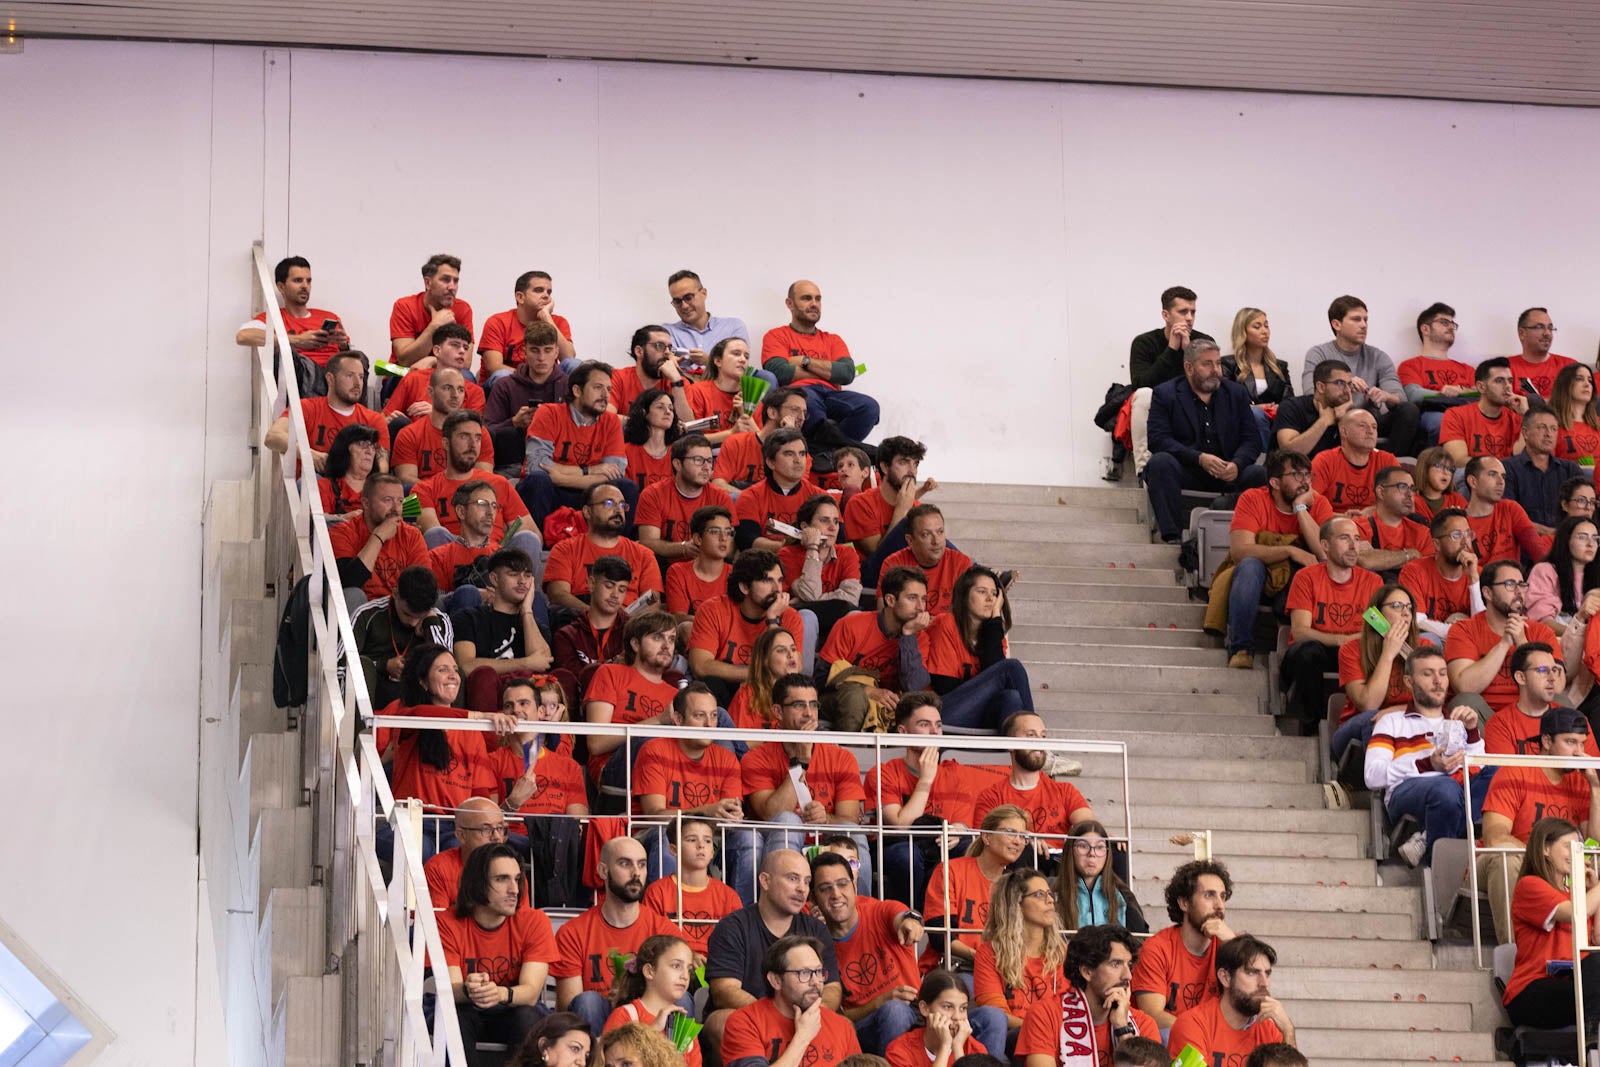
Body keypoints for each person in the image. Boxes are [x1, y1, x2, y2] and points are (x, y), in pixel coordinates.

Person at [704, 852, 844, 1060]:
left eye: (807, 882)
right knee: (721, 1021)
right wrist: (777, 1018)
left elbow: (832, 987)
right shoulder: (733, 927)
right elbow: (724, 991)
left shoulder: (816, 930)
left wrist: (814, 1015)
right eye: (792, 878)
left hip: (803, 1014)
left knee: (843, 1025)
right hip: (752, 1020)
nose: (802, 889)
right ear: (765, 881)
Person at [1479, 708, 1600, 944]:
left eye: (1582, 744)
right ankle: (1515, 951)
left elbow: (1594, 844)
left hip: (1560, 866)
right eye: (1570, 742)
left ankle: (1593, 947)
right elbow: (1495, 839)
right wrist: (1543, 858)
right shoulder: (1515, 771)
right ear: (1546, 740)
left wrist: (1595, 789)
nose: (1579, 753)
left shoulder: (1581, 780)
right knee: (1507, 859)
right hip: (1505, 861)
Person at [742, 675, 871, 891]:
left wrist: (825, 819)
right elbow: (770, 813)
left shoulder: (841, 757)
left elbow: (849, 819)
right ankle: (779, 910)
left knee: (851, 832)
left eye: (813, 705)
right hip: (776, 846)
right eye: (799, 705)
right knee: (787, 820)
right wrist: (800, 763)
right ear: (778, 712)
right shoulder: (756, 758)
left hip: (828, 849)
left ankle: (863, 913)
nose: (809, 713)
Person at [1365, 646, 1489, 866]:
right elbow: (1372, 776)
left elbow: (1478, 768)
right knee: (1446, 788)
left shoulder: (1457, 721)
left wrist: (1471, 731)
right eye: (1427, 673)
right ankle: (1437, 868)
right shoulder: (1392, 721)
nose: (1438, 680)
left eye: (1442, 673)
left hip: (1454, 789)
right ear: (1409, 681)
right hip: (1407, 791)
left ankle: (1425, 838)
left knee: (1503, 773)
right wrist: (1426, 764)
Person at [438, 842, 557, 1066]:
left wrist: (499, 994)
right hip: (465, 1008)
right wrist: (470, 989)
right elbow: (449, 990)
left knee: (528, 1016)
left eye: (517, 879)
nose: (514, 889)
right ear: (478, 883)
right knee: (449, 1017)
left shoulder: (534, 921)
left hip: (513, 1008)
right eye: (502, 879)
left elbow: (531, 992)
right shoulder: (447, 921)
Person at [633, 682, 757, 893]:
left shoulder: (727, 758)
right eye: (700, 716)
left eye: (713, 716)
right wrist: (705, 812)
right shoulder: (654, 750)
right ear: (678, 720)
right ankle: (665, 916)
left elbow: (730, 816)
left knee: (750, 839)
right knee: (666, 840)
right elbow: (654, 816)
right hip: (663, 834)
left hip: (712, 837)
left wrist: (731, 816)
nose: (709, 725)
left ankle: (742, 920)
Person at [553, 837, 685, 1035]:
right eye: (625, 863)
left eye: (641, 864)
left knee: (682, 999)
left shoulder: (664, 932)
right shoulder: (573, 932)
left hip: (649, 1019)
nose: (636, 873)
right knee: (588, 1001)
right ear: (603, 871)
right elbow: (568, 1005)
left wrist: (629, 998)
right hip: (599, 1023)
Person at [866, 693, 985, 912]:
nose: (934, 732)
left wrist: (959, 829)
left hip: (938, 851)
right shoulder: (883, 773)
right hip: (896, 849)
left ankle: (940, 917)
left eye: (938, 725)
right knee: (907, 854)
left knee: (967, 848)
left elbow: (962, 825)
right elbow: (900, 825)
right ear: (903, 732)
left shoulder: (955, 774)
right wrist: (926, 780)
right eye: (924, 724)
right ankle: (907, 916)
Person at [810, 850, 934, 1055]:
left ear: (854, 886)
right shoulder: (814, 943)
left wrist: (911, 922)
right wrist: (880, 1002)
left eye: (842, 884)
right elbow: (840, 1017)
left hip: (917, 1012)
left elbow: (905, 916)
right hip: (864, 1027)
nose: (836, 894)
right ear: (813, 898)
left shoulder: (877, 911)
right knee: (893, 1011)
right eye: (825, 888)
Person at [1144, 337, 1267, 543]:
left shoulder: (1235, 393)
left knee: (1258, 474)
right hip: (1189, 469)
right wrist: (1199, 458)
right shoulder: (1166, 394)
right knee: (1159, 463)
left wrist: (1237, 464)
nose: (1215, 370)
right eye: (1207, 364)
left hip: (1228, 471)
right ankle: (1172, 538)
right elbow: (1158, 439)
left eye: (1218, 363)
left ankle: (1251, 538)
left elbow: (1251, 440)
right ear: (1189, 367)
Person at [1222, 449, 1333, 669]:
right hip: (1263, 575)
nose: (1305, 482)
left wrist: (1301, 507)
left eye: (1308, 475)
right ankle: (1241, 648)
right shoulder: (1253, 498)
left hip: (1299, 578)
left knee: (1323, 568)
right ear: (1274, 482)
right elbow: (1240, 551)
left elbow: (1324, 553)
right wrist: (1290, 551)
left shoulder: (1318, 503)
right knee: (1249, 566)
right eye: (1297, 475)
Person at [1279, 517, 1384, 731]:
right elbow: (1300, 632)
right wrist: (1341, 639)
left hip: (1356, 653)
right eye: (1345, 538)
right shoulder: (1306, 577)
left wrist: (1353, 643)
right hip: (1319, 653)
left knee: (1381, 653)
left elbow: (1381, 629)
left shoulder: (1372, 582)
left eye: (1356, 538)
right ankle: (1311, 727)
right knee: (1307, 651)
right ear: (1325, 546)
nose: (1354, 546)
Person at [903, 565, 1032, 732]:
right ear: (965, 595)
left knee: (1011, 697)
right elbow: (944, 686)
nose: (990, 599)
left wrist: (994, 621)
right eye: (981, 591)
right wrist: (987, 685)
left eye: (994, 594)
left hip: (975, 713)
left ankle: (1023, 753)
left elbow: (997, 677)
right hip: (941, 712)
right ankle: (1036, 743)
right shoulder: (946, 623)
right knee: (1011, 667)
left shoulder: (993, 633)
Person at [1501, 816, 1600, 1031]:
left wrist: (1594, 888)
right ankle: (1592, 1043)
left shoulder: (1582, 896)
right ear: (1545, 848)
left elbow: (1597, 938)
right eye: (1569, 846)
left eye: (1579, 847)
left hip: (1576, 984)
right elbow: (1576, 913)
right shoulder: (1530, 885)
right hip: (1533, 989)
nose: (1576, 853)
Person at [1017, 925, 1160, 1067]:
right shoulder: (1045, 1014)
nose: (1127, 976)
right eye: (1116, 964)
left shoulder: (1143, 1024)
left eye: (1129, 965)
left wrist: (1123, 1030)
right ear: (1087, 972)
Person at [519, 360, 637, 530]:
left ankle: (618, 551)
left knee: (626, 487)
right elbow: (536, 467)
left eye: (609, 389)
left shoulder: (611, 421)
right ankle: (538, 550)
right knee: (538, 480)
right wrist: (589, 470)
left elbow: (615, 474)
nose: (605, 395)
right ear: (577, 390)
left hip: (589, 493)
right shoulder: (549, 413)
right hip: (552, 490)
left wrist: (561, 477)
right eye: (598, 387)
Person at [761, 279, 880, 445]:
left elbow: (846, 373)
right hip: (800, 392)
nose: (814, 304)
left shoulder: (833, 340)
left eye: (818, 299)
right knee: (807, 405)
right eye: (806, 298)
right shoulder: (776, 336)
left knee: (869, 407)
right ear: (790, 303)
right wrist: (829, 372)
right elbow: (779, 371)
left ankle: (833, 451)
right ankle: (839, 449)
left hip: (832, 394)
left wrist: (805, 361)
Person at [1301, 295, 1423, 457]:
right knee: (1316, 416)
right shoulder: (1318, 353)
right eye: (1356, 320)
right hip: (1336, 418)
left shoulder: (1378, 356)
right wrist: (1343, 384)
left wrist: (1385, 395)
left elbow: (1400, 398)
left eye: (1365, 320)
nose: (1364, 325)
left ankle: (1390, 462)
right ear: (1336, 324)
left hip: (1370, 420)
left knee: (1409, 410)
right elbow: (1311, 394)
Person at [719, 935, 862, 1067]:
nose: (815, 982)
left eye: (818, 972)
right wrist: (803, 1037)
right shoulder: (745, 1022)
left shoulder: (841, 1026)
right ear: (776, 981)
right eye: (804, 973)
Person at [687, 549, 805, 706]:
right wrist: (759, 673)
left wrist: (772, 620)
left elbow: (789, 670)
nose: (777, 589)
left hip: (770, 692)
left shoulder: (790, 616)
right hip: (726, 690)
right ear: (744, 587)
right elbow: (700, 666)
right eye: (766, 581)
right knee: (710, 684)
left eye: (780, 580)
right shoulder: (713, 610)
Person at [921, 806, 1030, 973]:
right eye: (1010, 832)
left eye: (1023, 836)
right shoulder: (950, 870)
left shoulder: (1016, 884)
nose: (1018, 841)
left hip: (1001, 969)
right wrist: (979, 956)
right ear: (986, 837)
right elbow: (940, 936)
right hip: (956, 967)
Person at [1130, 859, 1234, 1028]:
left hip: (1213, 1043)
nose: (1220, 906)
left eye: (1222, 897)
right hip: (1172, 1043)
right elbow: (1152, 1015)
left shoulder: (1229, 943)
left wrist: (1233, 943)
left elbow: (1252, 994)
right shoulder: (1157, 948)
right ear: (1184, 903)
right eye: (1209, 895)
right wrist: (1200, 1036)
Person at [413, 412, 538, 553]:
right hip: (452, 560)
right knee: (435, 534)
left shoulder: (500, 483)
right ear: (446, 443)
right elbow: (430, 533)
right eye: (464, 436)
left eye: (478, 438)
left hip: (497, 563)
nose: (472, 445)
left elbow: (535, 534)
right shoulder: (420, 489)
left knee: (529, 538)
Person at [1445, 559, 1562, 709]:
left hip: (1529, 712)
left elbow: (1557, 687)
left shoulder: (1541, 631)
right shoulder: (1463, 629)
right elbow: (1464, 688)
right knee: (1467, 701)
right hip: (1484, 715)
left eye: (1522, 584)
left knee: (1562, 703)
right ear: (1488, 593)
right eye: (1510, 584)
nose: (1519, 591)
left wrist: (1523, 644)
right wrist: (1504, 644)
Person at [582, 611, 682, 782]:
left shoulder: (676, 695)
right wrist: (657, 721)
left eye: (671, 639)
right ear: (635, 644)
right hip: (614, 766)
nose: (667, 645)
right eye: (658, 637)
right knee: (651, 739)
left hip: (665, 772)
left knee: (717, 714)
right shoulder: (611, 673)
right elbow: (596, 743)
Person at [974, 712, 1094, 853]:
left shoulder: (1065, 790)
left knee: (1114, 849)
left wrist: (1099, 837)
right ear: (1010, 743)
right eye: (1031, 735)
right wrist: (1024, 839)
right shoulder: (991, 797)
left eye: (1042, 736)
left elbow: (1089, 826)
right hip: (1017, 866)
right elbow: (983, 844)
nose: (1039, 742)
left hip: (1059, 864)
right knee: (1024, 849)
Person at [451, 548, 554, 713]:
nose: (522, 581)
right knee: (484, 675)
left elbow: (542, 664)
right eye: (513, 574)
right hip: (487, 702)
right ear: (494, 579)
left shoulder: (536, 627)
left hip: (526, 703)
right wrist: (525, 663)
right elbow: (466, 666)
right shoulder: (468, 618)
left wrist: (527, 611)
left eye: (527, 576)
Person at [1165, 935, 1294, 1063]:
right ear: (1225, 978)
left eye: (1267, 973)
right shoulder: (1193, 1025)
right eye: (1252, 973)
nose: (1264, 983)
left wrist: (1288, 1030)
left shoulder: (1269, 1030)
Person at [1330, 584, 1421, 766]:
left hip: (1405, 723)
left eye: (1409, 608)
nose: (1405, 613)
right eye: (1396, 606)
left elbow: (1434, 704)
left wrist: (1392, 712)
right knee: (1374, 720)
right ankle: (1377, 790)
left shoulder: (1424, 649)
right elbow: (1369, 704)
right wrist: (1388, 654)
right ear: (1377, 613)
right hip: (1358, 725)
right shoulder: (1351, 650)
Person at [541, 482, 663, 618]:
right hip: (580, 621)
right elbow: (558, 595)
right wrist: (597, 616)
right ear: (587, 512)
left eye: (622, 505)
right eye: (609, 504)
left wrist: (621, 622)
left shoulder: (644, 554)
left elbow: (652, 603)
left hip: (628, 625)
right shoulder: (565, 549)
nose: (618, 510)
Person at [346, 565, 454, 708]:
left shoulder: (439, 620)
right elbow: (342, 663)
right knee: (362, 666)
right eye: (407, 614)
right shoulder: (367, 614)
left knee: (452, 676)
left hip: (419, 696)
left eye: (419, 617)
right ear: (395, 593)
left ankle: (446, 729)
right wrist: (383, 665)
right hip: (376, 691)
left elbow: (447, 667)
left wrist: (431, 625)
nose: (413, 622)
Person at [264, 350, 390, 472]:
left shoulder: (374, 419)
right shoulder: (306, 407)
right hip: (315, 484)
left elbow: (382, 468)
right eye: (350, 375)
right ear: (330, 379)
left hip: (355, 487)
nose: (357, 383)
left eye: (361, 377)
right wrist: (308, 454)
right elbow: (273, 436)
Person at [974, 869, 1067, 1032]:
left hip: (1056, 1039)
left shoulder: (1064, 953)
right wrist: (1039, 1030)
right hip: (1014, 1037)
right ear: (1016, 904)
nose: (1050, 900)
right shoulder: (990, 952)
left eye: (1050, 894)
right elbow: (997, 1016)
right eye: (1039, 895)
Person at [641, 816, 744, 958]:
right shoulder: (657, 892)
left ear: (712, 851)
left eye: (707, 841)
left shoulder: (728, 896)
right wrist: (688, 956)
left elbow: (736, 945)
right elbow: (651, 943)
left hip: (717, 967)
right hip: (671, 964)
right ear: (673, 849)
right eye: (691, 839)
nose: (701, 845)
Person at [234, 255, 350, 380]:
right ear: (281, 287)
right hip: (304, 376)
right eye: (298, 280)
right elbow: (243, 336)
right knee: (285, 356)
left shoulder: (329, 316)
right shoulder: (273, 318)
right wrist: (297, 340)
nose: (305, 286)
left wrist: (344, 346)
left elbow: (347, 358)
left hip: (335, 376)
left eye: (308, 281)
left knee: (359, 358)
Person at [844, 436, 938, 587]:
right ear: (885, 467)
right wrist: (901, 510)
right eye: (903, 462)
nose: (912, 471)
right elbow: (879, 556)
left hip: (911, 574)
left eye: (915, 463)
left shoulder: (914, 505)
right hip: (873, 575)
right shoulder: (860, 503)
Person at [603, 934, 702, 1067]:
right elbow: (610, 1061)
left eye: (689, 970)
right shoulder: (626, 1015)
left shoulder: (686, 1029)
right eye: (676, 966)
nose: (684, 976)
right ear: (649, 971)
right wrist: (653, 1031)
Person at [329, 473, 429, 605]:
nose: (396, 508)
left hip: (401, 610)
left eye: (400, 501)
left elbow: (423, 585)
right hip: (361, 611)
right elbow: (348, 582)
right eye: (387, 500)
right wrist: (378, 537)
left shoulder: (412, 535)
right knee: (353, 594)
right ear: (366, 503)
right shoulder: (342, 532)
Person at [485, 321, 571, 471]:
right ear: (524, 352)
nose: (541, 357)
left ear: (557, 352)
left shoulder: (569, 387)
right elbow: (486, 433)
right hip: (512, 463)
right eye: (535, 350)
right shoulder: (505, 386)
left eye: (548, 350)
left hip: (559, 462)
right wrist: (514, 423)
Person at [636, 435, 734, 566]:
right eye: (698, 460)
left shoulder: (721, 497)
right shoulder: (652, 494)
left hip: (708, 565)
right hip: (665, 566)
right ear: (677, 464)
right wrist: (683, 548)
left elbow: (730, 545)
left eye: (710, 461)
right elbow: (648, 542)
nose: (706, 467)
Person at [779, 494, 863, 643]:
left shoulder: (847, 553)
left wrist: (807, 601)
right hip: (800, 621)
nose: (832, 527)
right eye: (824, 520)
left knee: (853, 614)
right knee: (808, 616)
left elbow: (851, 598)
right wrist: (812, 548)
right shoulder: (787, 554)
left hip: (837, 620)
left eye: (836, 522)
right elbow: (810, 594)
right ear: (805, 527)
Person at [391, 365, 494, 483]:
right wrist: (437, 493)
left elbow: (484, 478)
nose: (455, 395)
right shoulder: (409, 434)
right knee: (408, 493)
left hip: (465, 497)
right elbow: (406, 479)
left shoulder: (478, 433)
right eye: (447, 388)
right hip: (425, 498)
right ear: (430, 392)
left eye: (460, 389)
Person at [1484, 645, 1590, 756]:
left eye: (1554, 670)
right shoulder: (1499, 725)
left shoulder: (1578, 720)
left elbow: (1592, 769)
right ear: (1521, 677)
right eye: (1543, 670)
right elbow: (1505, 773)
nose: (1552, 678)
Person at [735, 429, 825, 553]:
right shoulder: (750, 497)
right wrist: (783, 546)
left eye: (802, 453)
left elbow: (837, 539)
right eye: (789, 454)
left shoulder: (822, 498)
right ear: (771, 462)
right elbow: (747, 541)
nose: (798, 460)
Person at [479, 271, 576, 385]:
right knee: (502, 375)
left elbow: (569, 358)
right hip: (511, 383)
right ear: (520, 297)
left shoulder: (558, 322)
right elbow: (494, 367)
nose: (546, 295)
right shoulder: (497, 322)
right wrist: (533, 379)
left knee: (574, 365)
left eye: (549, 292)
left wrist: (546, 318)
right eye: (539, 290)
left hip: (547, 382)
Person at [1398, 301, 1475, 445]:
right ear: (1425, 329)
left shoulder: (1467, 369)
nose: (1451, 327)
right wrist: (1445, 394)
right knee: (1442, 422)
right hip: (1434, 414)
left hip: (1469, 414)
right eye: (1444, 322)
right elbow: (1413, 394)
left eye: (1453, 324)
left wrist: (1458, 391)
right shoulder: (1410, 365)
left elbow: (1483, 392)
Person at [384, 325, 487, 430]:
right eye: (455, 345)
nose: (462, 351)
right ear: (437, 351)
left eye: (465, 348)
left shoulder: (476, 392)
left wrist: (438, 414)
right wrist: (387, 421)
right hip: (414, 441)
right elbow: (385, 416)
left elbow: (473, 431)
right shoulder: (414, 379)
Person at [877, 506, 975, 617]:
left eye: (940, 532)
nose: (936, 541)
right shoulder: (893, 564)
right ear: (910, 540)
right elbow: (884, 615)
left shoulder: (961, 562)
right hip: (906, 631)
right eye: (926, 534)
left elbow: (969, 615)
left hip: (947, 632)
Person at [1400, 508, 1481, 639]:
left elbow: (1483, 628)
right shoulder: (1414, 571)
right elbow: (1417, 622)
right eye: (1456, 535)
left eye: (1468, 534)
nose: (1465, 541)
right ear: (1437, 544)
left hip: (1469, 645)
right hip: (1433, 644)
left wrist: (1474, 580)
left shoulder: (1477, 572)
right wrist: (1460, 632)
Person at [663, 269, 760, 379]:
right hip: (685, 389)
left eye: (689, 297)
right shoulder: (667, 332)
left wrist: (708, 361)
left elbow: (741, 367)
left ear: (703, 293)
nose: (684, 306)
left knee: (764, 377)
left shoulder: (733, 326)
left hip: (726, 389)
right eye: (677, 301)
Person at [550, 555, 632, 685]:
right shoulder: (567, 636)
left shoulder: (633, 631)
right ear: (592, 584)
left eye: (622, 589)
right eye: (609, 586)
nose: (615, 595)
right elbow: (570, 687)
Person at [884, 971, 993, 1067]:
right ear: (925, 1008)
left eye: (963, 1008)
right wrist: (945, 1046)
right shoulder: (900, 1050)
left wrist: (957, 1049)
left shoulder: (975, 1050)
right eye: (948, 1007)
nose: (957, 1017)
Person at [423, 797, 515, 912]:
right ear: (461, 836)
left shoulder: (513, 868)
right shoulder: (438, 868)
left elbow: (521, 922)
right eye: (486, 829)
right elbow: (438, 923)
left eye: (500, 828)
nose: (496, 836)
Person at [1220, 307, 1293, 452]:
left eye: (1266, 325)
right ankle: (1264, 460)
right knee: (1256, 414)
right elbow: (1224, 402)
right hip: (1242, 425)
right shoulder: (1228, 365)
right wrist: (1254, 408)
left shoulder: (1279, 366)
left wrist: (1279, 408)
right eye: (1257, 326)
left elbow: (1290, 400)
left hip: (1275, 423)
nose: (1265, 331)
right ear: (1243, 332)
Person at [713, 387, 810, 492]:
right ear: (772, 412)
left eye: (804, 413)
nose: (802, 418)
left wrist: (790, 440)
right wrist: (750, 500)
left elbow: (791, 493)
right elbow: (718, 484)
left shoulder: (802, 455)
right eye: (795, 410)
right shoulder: (736, 442)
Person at [1055, 821, 1144, 935]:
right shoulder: (1053, 894)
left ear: (1107, 853)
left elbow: (1139, 940)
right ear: (1070, 850)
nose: (1092, 853)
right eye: (1083, 846)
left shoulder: (1123, 895)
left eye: (1099, 847)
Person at [1462, 456, 1549, 565]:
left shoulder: (1510, 509)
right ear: (1473, 482)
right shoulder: (1459, 522)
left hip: (1514, 580)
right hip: (1479, 581)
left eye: (1503, 476)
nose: (1501, 482)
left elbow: (1537, 549)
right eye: (1492, 474)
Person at [1440, 357, 1526, 467]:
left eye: (1510, 381)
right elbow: (1458, 461)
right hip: (1473, 477)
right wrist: (1495, 468)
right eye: (1499, 381)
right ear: (1481, 387)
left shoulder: (1518, 417)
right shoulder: (1456, 415)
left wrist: (1525, 416)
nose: (1508, 386)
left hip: (1508, 478)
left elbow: (1522, 458)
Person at [390, 253, 472, 368]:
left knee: (466, 377)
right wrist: (435, 326)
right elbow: (405, 360)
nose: (452, 287)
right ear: (428, 283)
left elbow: (466, 363)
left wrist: (434, 361)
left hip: (445, 370)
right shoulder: (405, 306)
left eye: (455, 281)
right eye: (445, 280)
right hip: (403, 372)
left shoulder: (463, 309)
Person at [1505, 408, 1583, 529]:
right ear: (1525, 433)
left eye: (1553, 429)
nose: (1549, 434)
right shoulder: (1507, 469)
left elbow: (1584, 512)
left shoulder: (1571, 470)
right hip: (1524, 541)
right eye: (1542, 427)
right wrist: (1548, 533)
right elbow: (1508, 517)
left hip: (1565, 542)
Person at [1311, 410, 1395, 516]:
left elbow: (1401, 501)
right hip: (1333, 527)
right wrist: (1345, 519)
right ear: (1344, 431)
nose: (1370, 431)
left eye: (1374, 427)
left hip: (1376, 525)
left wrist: (1375, 511)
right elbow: (1308, 504)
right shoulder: (1325, 461)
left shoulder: (1387, 460)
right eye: (1362, 426)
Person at [1354, 465, 1432, 576]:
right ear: (1381, 492)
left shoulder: (1422, 533)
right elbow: (1365, 561)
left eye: (1412, 488)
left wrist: (1378, 557)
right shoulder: (1358, 528)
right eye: (1402, 486)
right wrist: (1410, 554)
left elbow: (1428, 574)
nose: (1410, 494)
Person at [1526, 515, 1600, 634]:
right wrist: (1580, 636)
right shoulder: (1545, 571)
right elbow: (1542, 622)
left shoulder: (1596, 575)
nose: (1591, 544)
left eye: (1595, 538)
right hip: (1555, 644)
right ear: (1566, 540)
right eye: (1582, 537)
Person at [1270, 359, 1352, 459]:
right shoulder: (1292, 406)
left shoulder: (1349, 413)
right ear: (1321, 387)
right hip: (1289, 472)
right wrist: (1324, 422)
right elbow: (1289, 453)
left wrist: (1346, 420)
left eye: (1349, 384)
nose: (1347, 390)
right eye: (1340, 383)